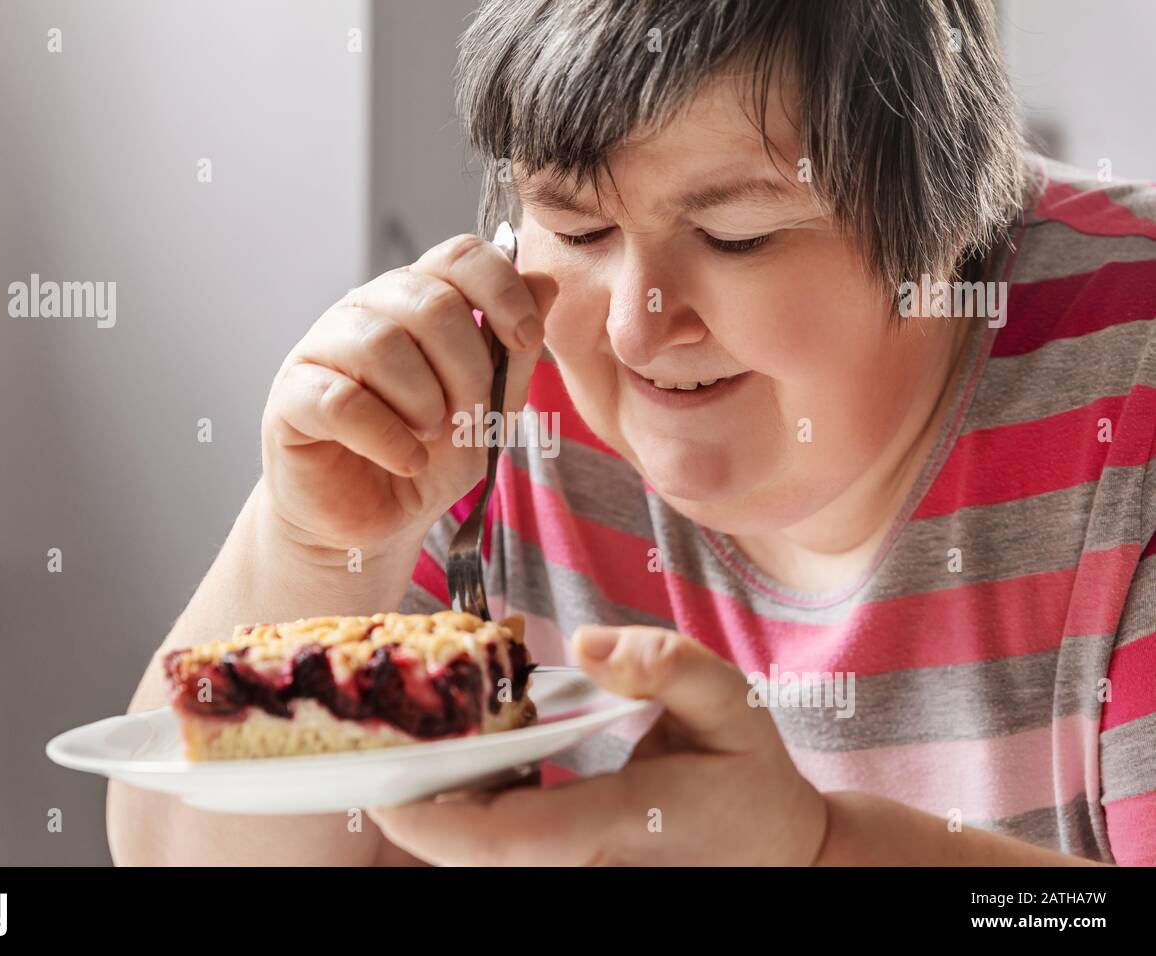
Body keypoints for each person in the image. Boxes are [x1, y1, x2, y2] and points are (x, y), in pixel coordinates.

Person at [108, 0, 1156, 865]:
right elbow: (174, 855)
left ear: (949, 220)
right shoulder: (495, 380)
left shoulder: (1132, 379)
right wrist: (315, 545)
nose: (630, 324)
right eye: (577, 228)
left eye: (732, 236)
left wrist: (820, 848)